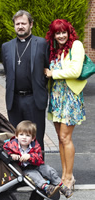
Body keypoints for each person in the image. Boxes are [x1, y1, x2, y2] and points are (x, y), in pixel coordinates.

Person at [44, 19, 87, 189]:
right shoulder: (55, 50)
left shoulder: (76, 46)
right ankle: (64, 174)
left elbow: (75, 71)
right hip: (56, 97)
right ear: (53, 35)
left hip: (70, 97)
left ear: (69, 33)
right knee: (60, 139)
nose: (61, 35)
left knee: (65, 137)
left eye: (63, 32)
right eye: (57, 32)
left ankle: (69, 178)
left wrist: (52, 73)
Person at [1, 10, 49, 156]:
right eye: (17, 24)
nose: (20, 26)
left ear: (31, 24)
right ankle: (20, 174)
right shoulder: (6, 47)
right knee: (17, 139)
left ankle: (38, 173)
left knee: (36, 138)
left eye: (23, 23)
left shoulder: (41, 43)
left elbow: (47, 67)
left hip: (34, 99)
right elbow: (7, 70)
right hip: (14, 99)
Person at [3, 120, 73, 198]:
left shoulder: (35, 145)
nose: (24, 137)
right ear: (16, 136)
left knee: (48, 170)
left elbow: (40, 159)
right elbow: (5, 150)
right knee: (35, 175)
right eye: (21, 134)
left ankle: (62, 186)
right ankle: (47, 188)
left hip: (36, 165)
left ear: (33, 138)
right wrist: (12, 155)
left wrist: (30, 156)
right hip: (24, 169)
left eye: (27, 135)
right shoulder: (11, 145)